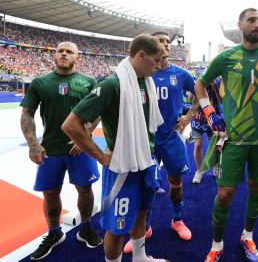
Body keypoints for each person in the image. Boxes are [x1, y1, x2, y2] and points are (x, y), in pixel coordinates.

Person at [195, 8, 258, 262]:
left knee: (256, 187)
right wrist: (210, 113)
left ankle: (247, 235)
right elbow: (200, 83)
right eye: (252, 20)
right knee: (225, 194)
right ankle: (216, 244)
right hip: (233, 139)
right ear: (240, 25)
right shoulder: (226, 57)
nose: (257, 24)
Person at [62, 34, 168, 262]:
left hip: (145, 161)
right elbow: (71, 125)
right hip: (122, 168)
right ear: (141, 55)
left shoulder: (145, 82)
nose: (159, 66)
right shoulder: (113, 84)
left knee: (142, 214)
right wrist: (101, 157)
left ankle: (140, 258)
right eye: (156, 60)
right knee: (117, 228)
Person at [19, 42, 102, 260]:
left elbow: (97, 111)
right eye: (60, 51)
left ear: (77, 57)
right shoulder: (40, 83)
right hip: (50, 150)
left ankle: (85, 228)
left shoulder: (88, 81)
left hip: (81, 149)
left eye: (69, 51)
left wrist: (85, 134)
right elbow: (27, 113)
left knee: (85, 190)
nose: (64, 54)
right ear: (54, 56)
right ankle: (54, 233)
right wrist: (32, 144)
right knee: (50, 193)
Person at [148, 31, 196, 243]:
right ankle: (144, 227)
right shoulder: (141, 72)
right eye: (161, 41)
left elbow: (200, 96)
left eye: (168, 41)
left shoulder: (182, 74)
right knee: (145, 184)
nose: (166, 44)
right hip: (145, 138)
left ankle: (177, 220)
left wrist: (188, 116)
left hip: (171, 137)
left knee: (175, 181)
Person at [191, 78, 222, 184]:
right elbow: (189, 98)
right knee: (198, 144)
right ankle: (199, 171)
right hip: (198, 117)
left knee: (215, 145)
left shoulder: (217, 82)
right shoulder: (197, 82)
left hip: (212, 118)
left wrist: (215, 87)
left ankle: (216, 166)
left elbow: (221, 100)